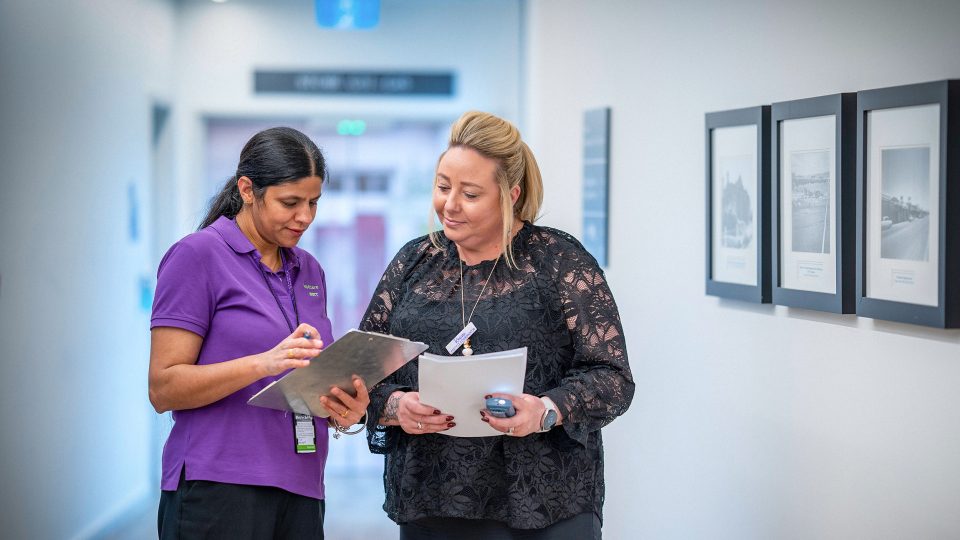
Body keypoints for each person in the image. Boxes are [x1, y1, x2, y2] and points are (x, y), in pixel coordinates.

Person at [360, 111, 634, 539]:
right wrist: (397, 407)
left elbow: (612, 377)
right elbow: (363, 373)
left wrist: (544, 410)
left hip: (545, 501)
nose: (449, 205)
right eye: (442, 187)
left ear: (511, 194)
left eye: (469, 194)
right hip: (434, 498)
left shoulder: (557, 260)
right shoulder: (415, 262)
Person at [148, 127, 369, 539]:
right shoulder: (197, 256)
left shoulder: (309, 269)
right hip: (218, 485)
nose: (304, 216)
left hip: (302, 483)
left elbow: (309, 378)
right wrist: (262, 364)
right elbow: (163, 388)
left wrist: (343, 407)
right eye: (290, 202)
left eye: (313, 202)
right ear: (247, 189)